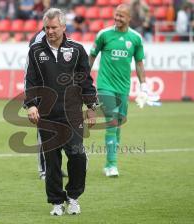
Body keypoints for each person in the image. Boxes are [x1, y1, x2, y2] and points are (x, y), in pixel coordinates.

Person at [24, 8, 97, 216]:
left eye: (54, 27)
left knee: (78, 156)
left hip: (73, 113)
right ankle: (56, 201)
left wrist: (92, 107)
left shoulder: (77, 50)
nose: (50, 31)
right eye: (46, 28)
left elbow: (86, 81)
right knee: (52, 161)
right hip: (46, 115)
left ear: (64, 27)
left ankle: (73, 197)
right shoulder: (35, 51)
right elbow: (31, 81)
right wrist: (31, 105)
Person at [89, 4, 148, 177]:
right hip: (105, 85)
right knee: (112, 121)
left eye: (122, 16)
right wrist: (82, 79)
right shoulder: (104, 35)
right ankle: (111, 165)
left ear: (129, 18)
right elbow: (92, 56)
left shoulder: (135, 39)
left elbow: (139, 63)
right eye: (116, 15)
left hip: (123, 87)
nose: (117, 19)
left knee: (119, 123)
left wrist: (144, 86)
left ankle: (110, 161)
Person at [29, 28, 68, 180]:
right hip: (43, 92)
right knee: (43, 133)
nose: (51, 29)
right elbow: (33, 67)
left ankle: (55, 168)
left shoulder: (60, 37)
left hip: (58, 92)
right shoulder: (39, 38)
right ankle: (43, 170)